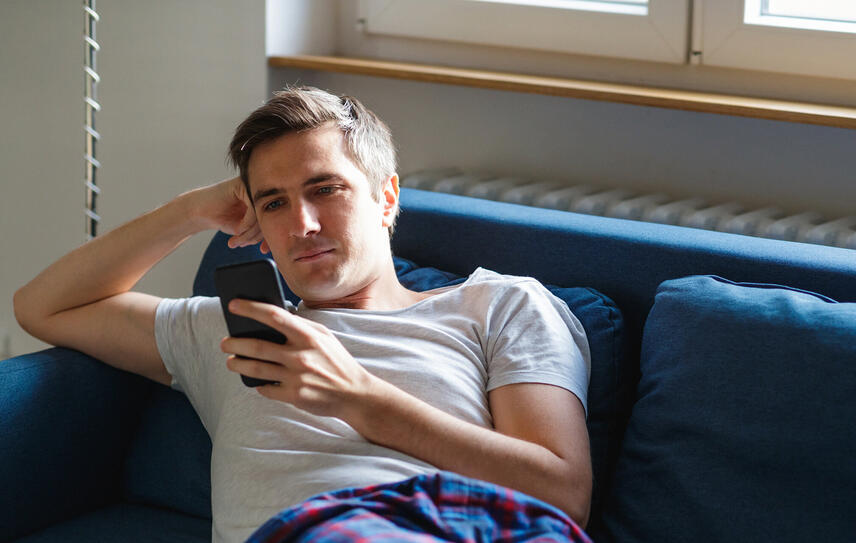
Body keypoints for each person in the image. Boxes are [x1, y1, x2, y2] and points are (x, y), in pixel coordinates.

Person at [13, 86, 592, 542]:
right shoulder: (229, 329)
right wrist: (189, 211)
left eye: (325, 189)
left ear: (386, 196)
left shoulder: (501, 305)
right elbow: (44, 306)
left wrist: (357, 397)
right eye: (274, 202)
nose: (302, 225)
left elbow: (562, 494)